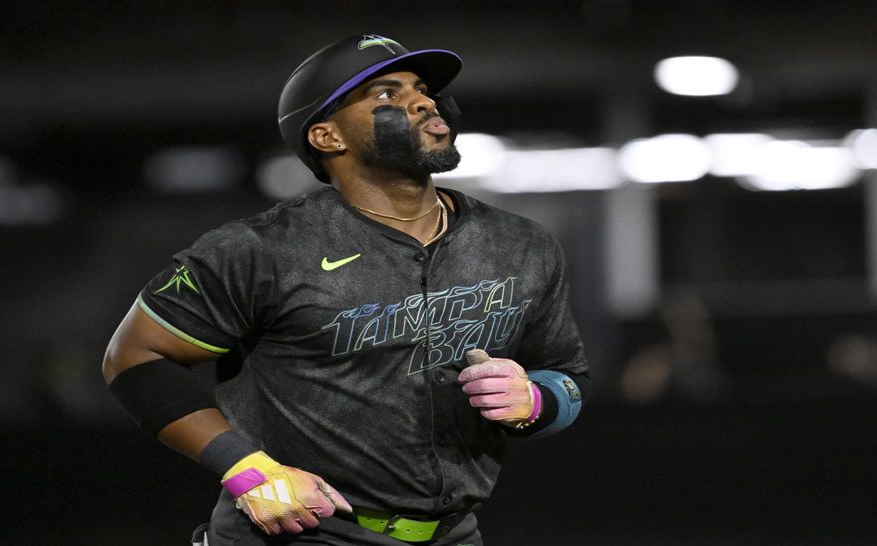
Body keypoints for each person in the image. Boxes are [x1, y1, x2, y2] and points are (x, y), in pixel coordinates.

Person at [103, 34, 589, 546]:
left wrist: (537, 401)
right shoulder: (260, 249)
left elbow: (568, 376)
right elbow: (135, 357)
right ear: (328, 137)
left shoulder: (521, 243)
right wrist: (244, 470)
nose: (423, 100)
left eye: (422, 88)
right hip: (301, 533)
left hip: (454, 535)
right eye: (385, 94)